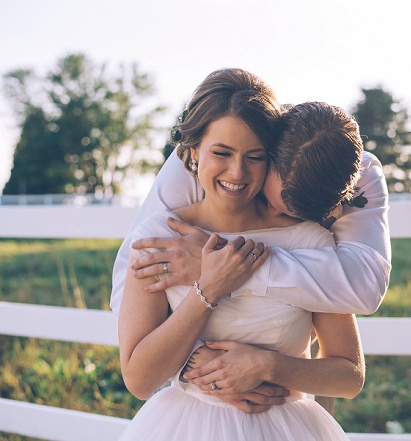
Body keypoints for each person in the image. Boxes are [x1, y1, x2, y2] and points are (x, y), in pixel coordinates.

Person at [117, 68, 365, 440]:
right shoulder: (158, 237)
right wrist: (208, 291)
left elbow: (350, 376)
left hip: (288, 427)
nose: (237, 172)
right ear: (193, 150)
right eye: (222, 153)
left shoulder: (308, 241)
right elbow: (138, 379)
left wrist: (268, 366)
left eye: (255, 156)